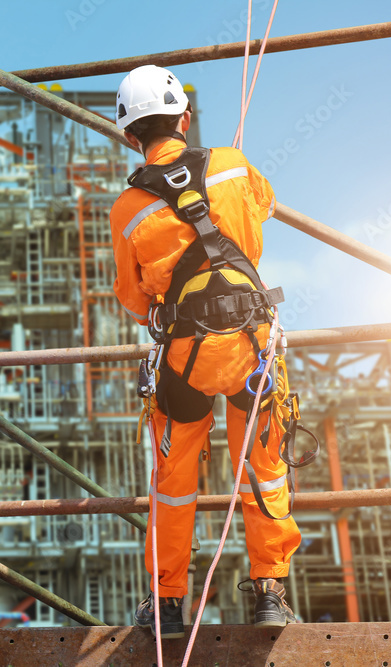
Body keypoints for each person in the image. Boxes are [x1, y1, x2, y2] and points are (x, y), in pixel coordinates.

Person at [109, 65, 301, 637]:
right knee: (264, 470)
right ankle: (269, 593)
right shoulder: (233, 166)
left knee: (173, 484)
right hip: (253, 350)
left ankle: (167, 605)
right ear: (184, 119)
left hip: (184, 361)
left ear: (129, 134)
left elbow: (132, 297)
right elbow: (263, 206)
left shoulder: (127, 210)